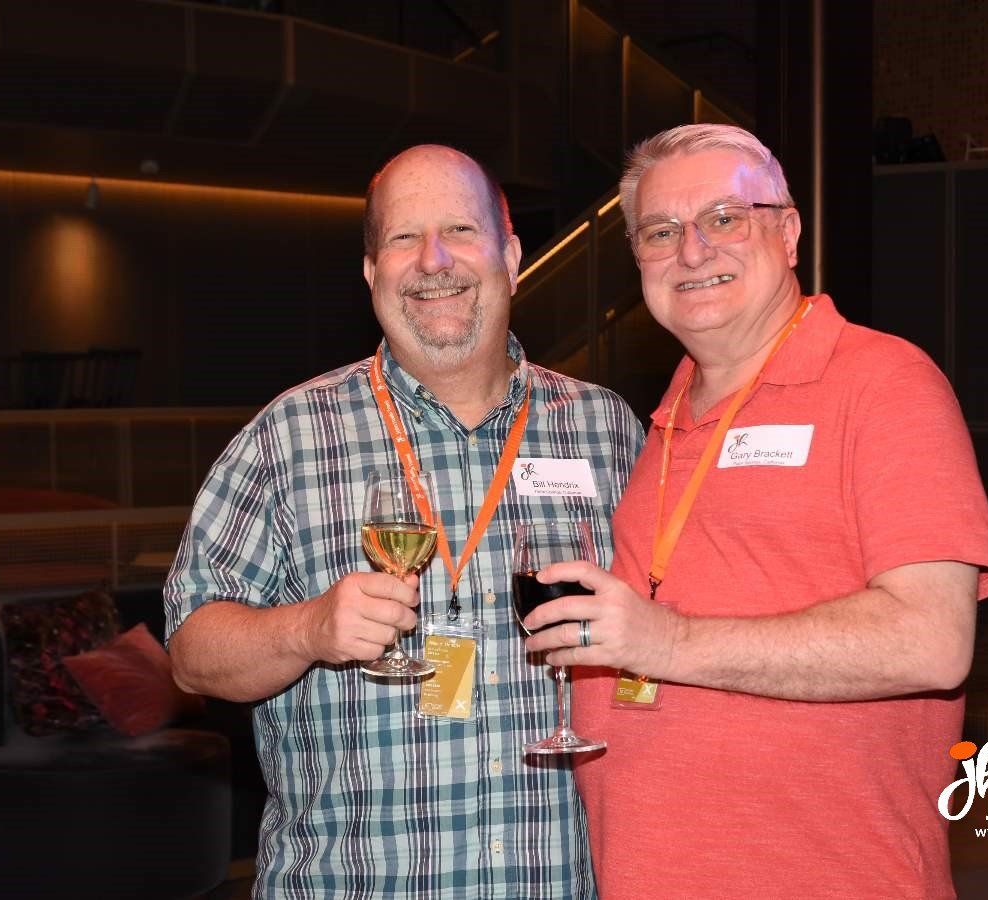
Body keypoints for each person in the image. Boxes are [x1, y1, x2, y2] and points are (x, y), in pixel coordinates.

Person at [522, 124, 988, 899]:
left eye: (723, 218)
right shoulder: (665, 420)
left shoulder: (883, 383)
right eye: (660, 231)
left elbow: (931, 641)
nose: (692, 250)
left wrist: (668, 642)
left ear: (786, 231)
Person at [164, 144, 644, 898]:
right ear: (370, 272)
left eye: (459, 230)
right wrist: (307, 630)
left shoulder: (606, 429)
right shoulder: (288, 435)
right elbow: (192, 653)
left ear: (511, 256)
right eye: (401, 238)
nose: (432, 261)